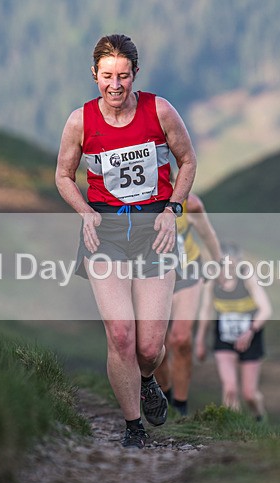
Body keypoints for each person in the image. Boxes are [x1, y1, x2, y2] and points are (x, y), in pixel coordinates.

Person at [55, 34, 197, 449]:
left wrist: (173, 209)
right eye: (106, 76)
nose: (115, 85)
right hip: (107, 231)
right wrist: (85, 213)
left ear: (136, 73)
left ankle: (149, 379)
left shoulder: (160, 111)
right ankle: (133, 427)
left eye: (122, 76)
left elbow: (187, 161)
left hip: (156, 227)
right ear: (94, 75)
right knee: (121, 335)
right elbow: (63, 175)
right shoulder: (80, 121)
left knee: (150, 346)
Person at [154, 192, 222, 416]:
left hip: (188, 272)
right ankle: (164, 396)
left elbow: (208, 235)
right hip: (152, 276)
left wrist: (219, 266)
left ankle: (180, 408)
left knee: (181, 339)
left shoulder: (190, 204)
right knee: (155, 344)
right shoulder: (137, 201)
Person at [195, 243, 272, 421]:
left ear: (238, 262)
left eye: (231, 265)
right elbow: (205, 311)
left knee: (249, 394)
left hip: (251, 337)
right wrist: (200, 341)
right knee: (230, 388)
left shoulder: (247, 278)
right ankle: (232, 426)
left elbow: (266, 309)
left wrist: (251, 331)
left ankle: (259, 416)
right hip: (224, 338)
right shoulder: (212, 281)